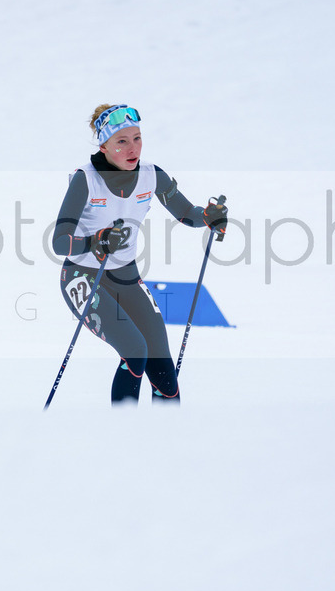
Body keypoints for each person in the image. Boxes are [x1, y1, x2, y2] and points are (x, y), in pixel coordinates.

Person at [51, 104, 227, 405]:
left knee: (161, 361)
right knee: (135, 350)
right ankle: (125, 433)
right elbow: (59, 242)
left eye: (137, 138)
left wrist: (209, 216)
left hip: (126, 277)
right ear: (104, 146)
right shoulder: (86, 179)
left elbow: (186, 214)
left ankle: (168, 437)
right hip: (82, 276)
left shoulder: (151, 175)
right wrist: (98, 241)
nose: (133, 148)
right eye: (122, 141)